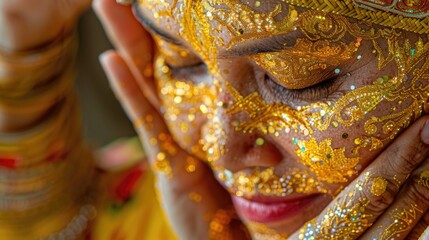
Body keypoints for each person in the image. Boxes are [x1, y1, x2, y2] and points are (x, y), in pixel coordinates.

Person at [1, 0, 429, 239]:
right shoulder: (193, 200)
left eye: (299, 81)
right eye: (182, 60)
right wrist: (21, 79)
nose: (221, 148)